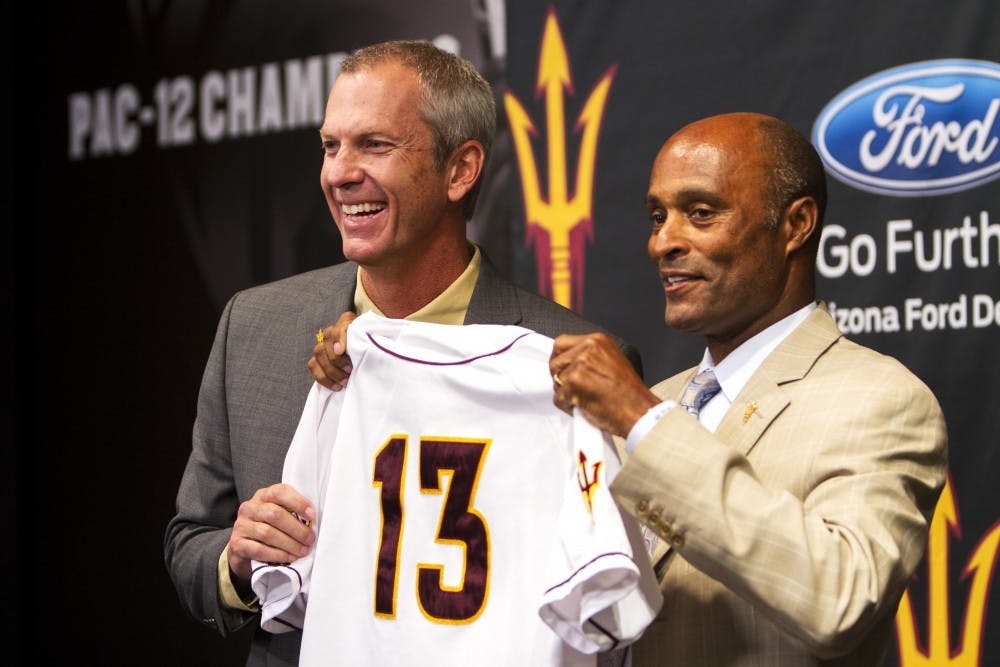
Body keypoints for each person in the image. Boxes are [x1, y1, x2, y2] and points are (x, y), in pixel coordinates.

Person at [163, 40, 640, 666]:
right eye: (331, 146)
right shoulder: (254, 328)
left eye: (375, 145)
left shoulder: (566, 362)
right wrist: (238, 558)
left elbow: (604, 602)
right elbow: (188, 544)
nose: (338, 173)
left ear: (460, 170)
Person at [547, 112, 947, 666]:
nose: (663, 242)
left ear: (796, 224)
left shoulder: (881, 399)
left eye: (701, 213)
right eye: (657, 216)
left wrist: (643, 421)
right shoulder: (651, 402)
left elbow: (839, 599)